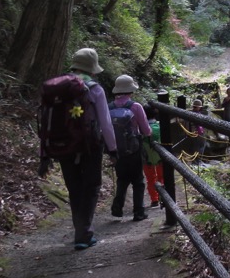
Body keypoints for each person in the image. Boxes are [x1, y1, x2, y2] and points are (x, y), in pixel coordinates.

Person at [61, 48, 116, 250]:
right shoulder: (95, 89)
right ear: (92, 69)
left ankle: (80, 229)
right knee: (91, 186)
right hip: (90, 145)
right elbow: (105, 123)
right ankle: (83, 234)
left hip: (63, 144)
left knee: (74, 187)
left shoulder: (59, 86)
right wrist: (113, 148)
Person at [109, 74, 152, 221]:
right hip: (134, 149)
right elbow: (146, 130)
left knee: (122, 179)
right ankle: (139, 212)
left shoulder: (109, 107)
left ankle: (117, 207)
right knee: (138, 181)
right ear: (130, 90)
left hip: (116, 149)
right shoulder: (136, 106)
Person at [142, 104, 163, 208]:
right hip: (160, 157)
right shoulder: (160, 126)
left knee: (150, 179)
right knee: (162, 177)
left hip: (147, 158)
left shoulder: (141, 128)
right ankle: (163, 197)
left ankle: (154, 200)